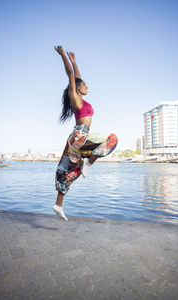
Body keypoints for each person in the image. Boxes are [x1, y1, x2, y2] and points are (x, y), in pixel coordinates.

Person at [53, 45, 118, 221]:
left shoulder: (82, 100)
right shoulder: (74, 98)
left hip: (79, 138)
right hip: (79, 136)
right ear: (77, 88)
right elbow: (71, 76)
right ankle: (88, 163)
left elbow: (77, 76)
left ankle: (58, 205)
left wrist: (75, 62)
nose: (87, 86)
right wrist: (63, 57)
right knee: (112, 139)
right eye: (84, 85)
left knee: (70, 170)